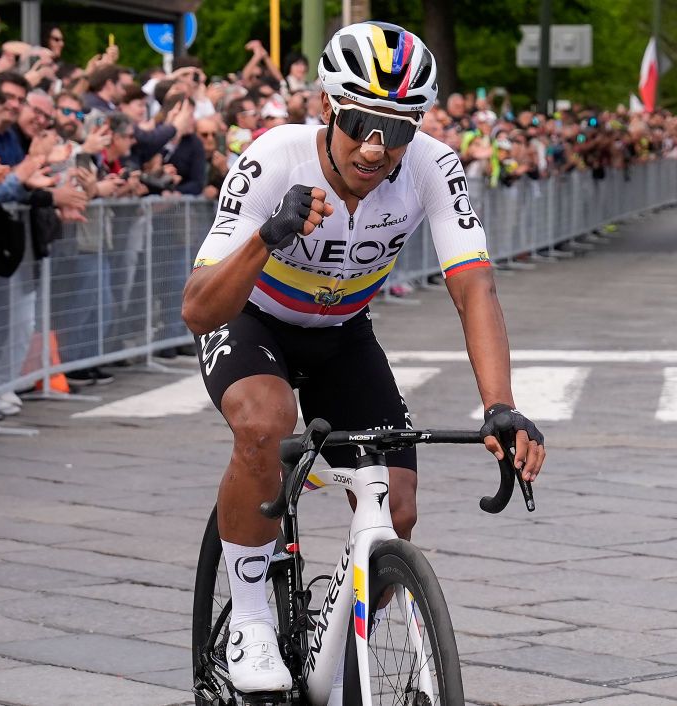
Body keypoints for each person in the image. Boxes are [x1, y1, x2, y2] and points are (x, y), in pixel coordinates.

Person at [181, 21, 546, 695]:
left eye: (398, 129)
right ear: (327, 107)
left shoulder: (434, 167)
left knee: (398, 508)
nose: (377, 147)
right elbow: (200, 309)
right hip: (253, 319)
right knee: (265, 421)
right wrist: (269, 235)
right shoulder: (273, 157)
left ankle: (336, 646)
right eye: (360, 122)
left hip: (342, 332)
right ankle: (252, 617)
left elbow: (475, 288)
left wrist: (500, 405)